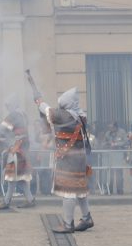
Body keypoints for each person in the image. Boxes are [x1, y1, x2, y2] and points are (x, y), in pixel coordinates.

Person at [40, 87, 94, 232]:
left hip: (70, 160)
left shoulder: (67, 116)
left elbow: (47, 110)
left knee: (68, 191)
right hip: (80, 158)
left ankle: (68, 224)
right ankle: (86, 217)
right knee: (79, 190)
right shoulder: (80, 115)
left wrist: (40, 102)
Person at [0, 97, 35, 210]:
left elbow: (2, 129)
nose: (7, 108)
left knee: (12, 176)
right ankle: (30, 199)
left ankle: (6, 201)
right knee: (21, 177)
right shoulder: (23, 114)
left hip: (17, 149)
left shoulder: (13, 115)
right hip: (23, 149)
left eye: (8, 105)